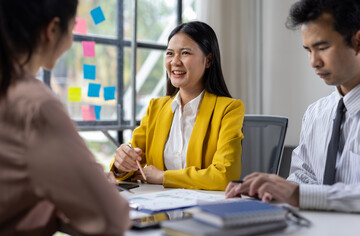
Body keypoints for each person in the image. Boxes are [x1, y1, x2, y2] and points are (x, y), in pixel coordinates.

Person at [0, 0, 130, 236]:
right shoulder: (35, 106)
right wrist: (67, 192)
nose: (70, 41)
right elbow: (112, 218)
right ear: (51, 30)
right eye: (71, 30)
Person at [226, 0, 360, 213]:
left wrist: (299, 194)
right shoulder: (317, 113)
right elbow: (303, 175)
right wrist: (272, 190)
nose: (314, 61)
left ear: (357, 41)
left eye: (322, 48)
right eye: (308, 50)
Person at [110, 21, 244, 190]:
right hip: (158, 207)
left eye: (185, 53)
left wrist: (163, 177)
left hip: (204, 210)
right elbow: (131, 165)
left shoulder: (228, 109)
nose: (175, 61)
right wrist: (122, 163)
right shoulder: (156, 108)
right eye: (170, 53)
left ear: (208, 60)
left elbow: (224, 176)